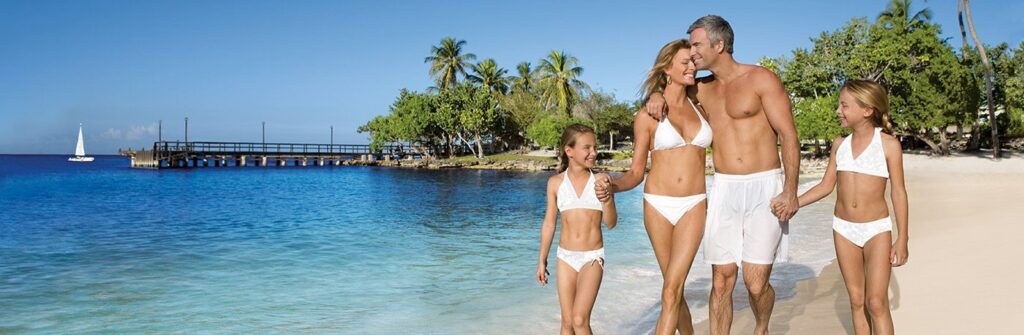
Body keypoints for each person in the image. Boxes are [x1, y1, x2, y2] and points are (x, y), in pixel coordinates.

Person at [646, 15, 800, 335]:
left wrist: (790, 190)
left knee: (756, 284)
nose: (693, 52)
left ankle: (761, 326)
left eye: (697, 44)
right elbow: (670, 90)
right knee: (721, 281)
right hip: (725, 188)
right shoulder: (700, 89)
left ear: (719, 45)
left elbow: (788, 135)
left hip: (764, 187)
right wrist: (656, 94)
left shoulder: (761, 79)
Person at [595, 38, 708, 335]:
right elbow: (635, 172)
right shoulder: (647, 116)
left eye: (693, 61)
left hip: (694, 203)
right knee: (674, 288)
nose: (691, 67)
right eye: (684, 62)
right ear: (667, 68)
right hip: (657, 204)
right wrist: (614, 187)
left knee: (672, 288)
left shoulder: (703, 104)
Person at [793, 79, 909, 335]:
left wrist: (902, 239)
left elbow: (898, 192)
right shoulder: (839, 144)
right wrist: (793, 203)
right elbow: (826, 186)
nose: (838, 111)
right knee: (857, 302)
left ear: (867, 110)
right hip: (843, 229)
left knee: (876, 303)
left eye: (844, 106)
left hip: (876, 230)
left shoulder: (889, 145)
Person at [537, 124, 618, 335]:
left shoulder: (600, 180)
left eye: (595, 147)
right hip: (565, 257)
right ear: (569, 150)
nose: (593, 152)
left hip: (592, 258)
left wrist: (607, 200)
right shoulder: (555, 183)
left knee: (580, 320)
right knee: (566, 323)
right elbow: (549, 223)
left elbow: (610, 223)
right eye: (587, 147)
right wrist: (542, 259)